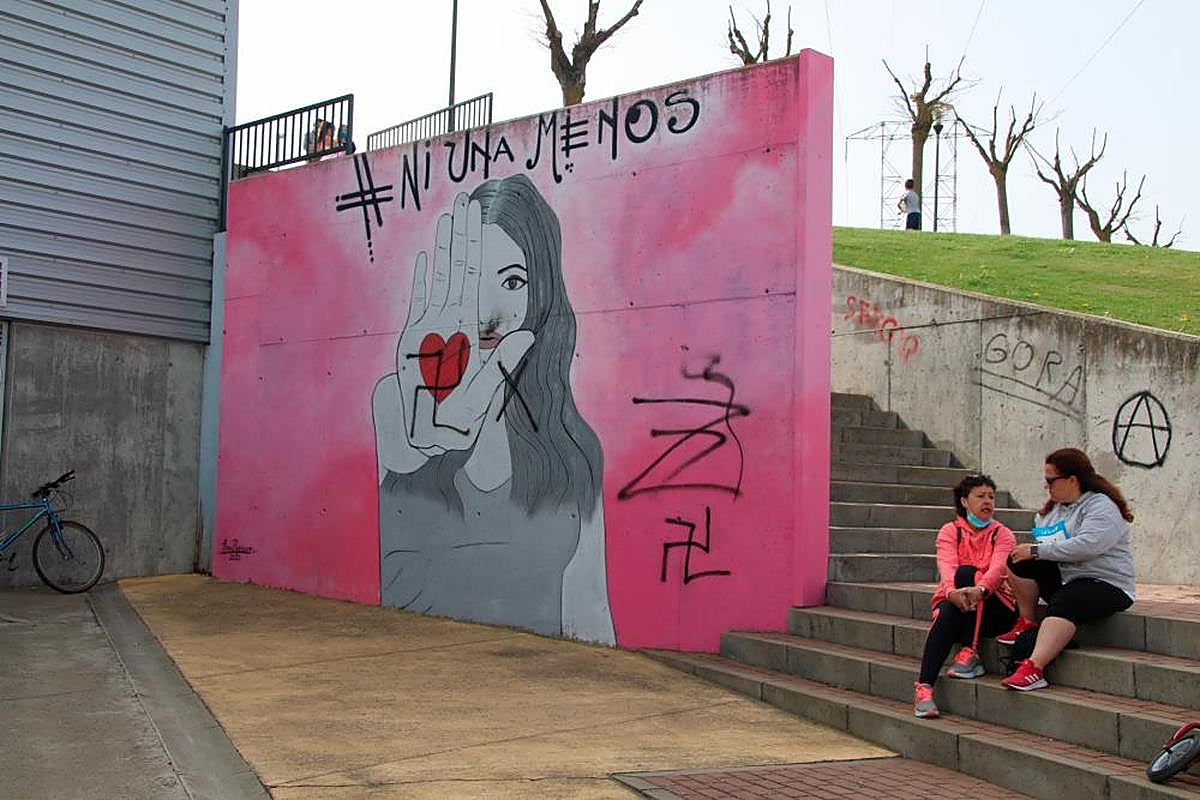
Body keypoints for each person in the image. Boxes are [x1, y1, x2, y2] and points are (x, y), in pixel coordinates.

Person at [372, 174, 615, 645]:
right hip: (405, 686)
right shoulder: (396, 402)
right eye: (472, 280)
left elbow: (590, 608)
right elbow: (407, 449)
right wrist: (431, 423)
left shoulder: (575, 450)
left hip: (532, 698)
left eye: (512, 280)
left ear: (540, 293)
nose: (487, 312)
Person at [999, 448, 1136, 692]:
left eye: (1051, 480)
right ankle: (1027, 621)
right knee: (1017, 560)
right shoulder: (1052, 511)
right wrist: (1033, 551)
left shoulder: (1101, 506)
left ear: (1072, 480)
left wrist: (1037, 551)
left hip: (1106, 584)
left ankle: (1034, 668)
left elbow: (1089, 546)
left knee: (1066, 600)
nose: (1046, 486)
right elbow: (1044, 543)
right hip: (1068, 579)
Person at [914, 474, 1017, 718]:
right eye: (980, 496)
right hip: (957, 604)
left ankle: (970, 651)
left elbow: (997, 569)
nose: (987, 501)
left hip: (996, 608)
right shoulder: (950, 531)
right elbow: (946, 565)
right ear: (964, 501)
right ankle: (925, 688)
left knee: (969, 574)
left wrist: (979, 589)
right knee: (954, 595)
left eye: (991, 497)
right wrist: (951, 593)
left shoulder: (1003, 534)